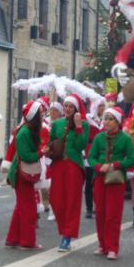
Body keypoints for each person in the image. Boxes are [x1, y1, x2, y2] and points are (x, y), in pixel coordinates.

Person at [88, 106, 134, 260]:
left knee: (113, 215)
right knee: (100, 213)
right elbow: (91, 156)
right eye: (106, 118)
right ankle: (102, 245)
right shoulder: (99, 138)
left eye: (111, 119)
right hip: (100, 178)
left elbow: (132, 159)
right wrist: (97, 166)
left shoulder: (126, 139)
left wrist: (115, 165)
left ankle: (112, 247)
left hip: (116, 179)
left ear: (118, 122)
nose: (107, 122)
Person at [47, 94, 89, 252]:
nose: (68, 109)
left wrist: (78, 127)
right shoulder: (57, 123)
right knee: (56, 199)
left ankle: (67, 236)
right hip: (58, 164)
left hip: (73, 165)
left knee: (72, 201)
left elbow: (81, 145)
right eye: (66, 106)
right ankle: (64, 229)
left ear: (76, 109)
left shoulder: (83, 124)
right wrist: (50, 147)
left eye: (71, 106)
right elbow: (50, 140)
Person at [5, 100, 44, 250]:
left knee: (21, 207)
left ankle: (13, 239)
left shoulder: (25, 130)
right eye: (40, 113)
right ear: (34, 116)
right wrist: (41, 152)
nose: (42, 116)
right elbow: (26, 155)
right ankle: (27, 242)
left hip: (20, 173)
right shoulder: (25, 132)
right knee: (29, 208)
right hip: (22, 173)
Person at [85, 97, 107, 219]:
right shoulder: (88, 119)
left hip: (103, 154)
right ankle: (89, 208)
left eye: (103, 105)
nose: (101, 108)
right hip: (89, 153)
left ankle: (99, 206)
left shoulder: (108, 119)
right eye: (99, 106)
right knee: (89, 182)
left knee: (100, 181)